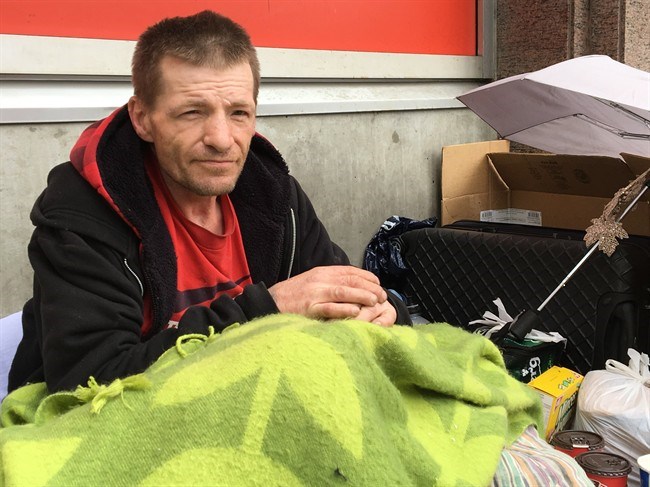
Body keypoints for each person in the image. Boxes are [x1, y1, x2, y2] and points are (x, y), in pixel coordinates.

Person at [7, 10, 409, 394]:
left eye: (238, 113)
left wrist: (386, 308)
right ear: (142, 118)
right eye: (192, 112)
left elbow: (342, 286)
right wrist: (267, 309)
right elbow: (88, 381)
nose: (220, 138)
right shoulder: (82, 215)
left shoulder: (274, 194)